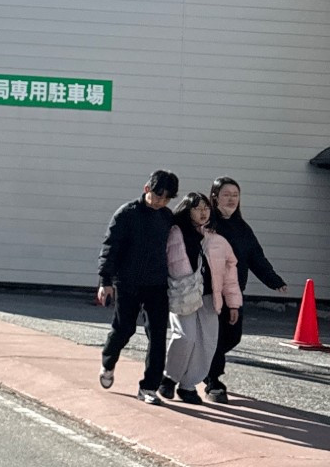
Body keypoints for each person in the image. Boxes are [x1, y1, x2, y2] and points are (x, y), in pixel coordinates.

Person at [203, 176, 290, 402]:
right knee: (216, 336)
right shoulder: (207, 224)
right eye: (226, 195)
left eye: (235, 195)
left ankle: (204, 369)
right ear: (215, 197)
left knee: (233, 336)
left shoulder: (242, 227)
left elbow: (256, 258)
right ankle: (213, 381)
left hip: (234, 293)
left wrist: (274, 280)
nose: (232, 199)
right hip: (208, 292)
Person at [96, 169, 179, 403]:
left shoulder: (166, 217)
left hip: (156, 284)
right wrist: (105, 282)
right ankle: (108, 362)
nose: (161, 202)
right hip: (127, 282)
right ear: (146, 189)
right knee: (124, 328)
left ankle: (149, 387)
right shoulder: (126, 214)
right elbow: (109, 247)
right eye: (158, 196)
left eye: (166, 199)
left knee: (158, 334)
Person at [161, 191, 241, 404]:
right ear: (187, 210)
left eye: (206, 208)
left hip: (208, 297)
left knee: (207, 342)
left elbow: (230, 274)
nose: (203, 212)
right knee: (185, 337)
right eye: (197, 208)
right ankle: (169, 378)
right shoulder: (173, 233)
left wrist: (233, 303)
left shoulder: (218, 240)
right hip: (182, 294)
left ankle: (188, 386)